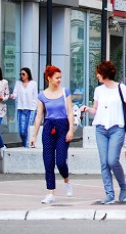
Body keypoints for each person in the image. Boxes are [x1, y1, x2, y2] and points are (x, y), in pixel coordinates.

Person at [81, 60, 126, 204]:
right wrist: (87, 109)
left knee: (112, 160)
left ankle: (123, 186)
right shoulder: (98, 90)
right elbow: (95, 109)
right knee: (104, 163)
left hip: (117, 128)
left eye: (98, 73)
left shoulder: (121, 88)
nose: (97, 75)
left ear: (104, 73)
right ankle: (109, 194)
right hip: (100, 129)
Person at [31, 65, 75, 203]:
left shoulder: (65, 92)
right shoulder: (42, 95)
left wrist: (71, 129)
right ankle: (50, 192)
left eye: (60, 77)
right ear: (49, 78)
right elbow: (39, 116)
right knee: (48, 161)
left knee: (61, 161)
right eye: (57, 78)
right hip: (49, 127)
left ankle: (66, 180)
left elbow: (69, 111)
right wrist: (34, 135)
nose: (59, 80)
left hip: (63, 126)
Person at [10, 67, 38, 147]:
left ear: (28, 75)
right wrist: (12, 96)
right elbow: (15, 93)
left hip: (31, 109)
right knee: (22, 131)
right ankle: (25, 143)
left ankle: (26, 146)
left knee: (28, 129)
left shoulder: (33, 84)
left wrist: (37, 108)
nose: (22, 76)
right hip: (21, 108)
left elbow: (35, 97)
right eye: (20, 74)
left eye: (23, 74)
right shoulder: (18, 83)